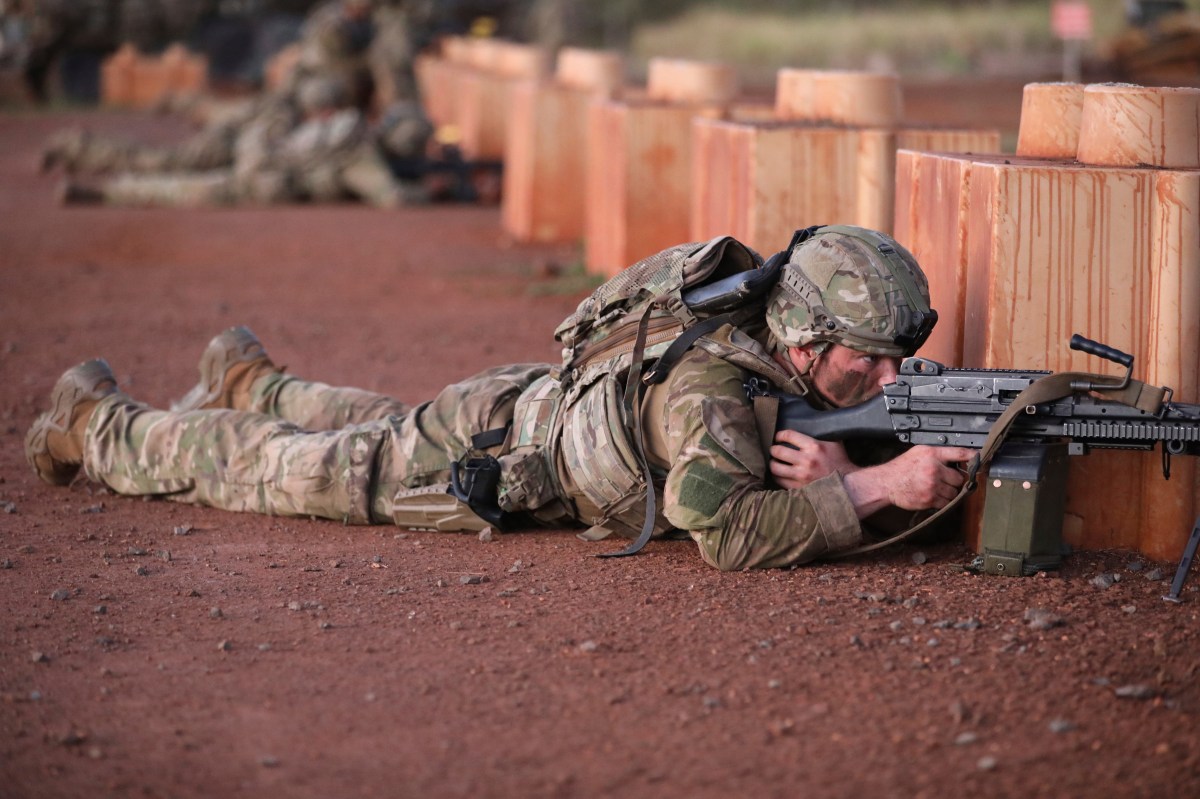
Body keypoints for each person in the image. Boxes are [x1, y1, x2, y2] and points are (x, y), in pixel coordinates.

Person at [24, 226, 974, 571]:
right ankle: (100, 424)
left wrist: (854, 468)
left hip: (520, 400)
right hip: (498, 457)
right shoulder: (715, 394)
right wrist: (873, 489)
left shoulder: (752, 322)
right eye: (869, 359)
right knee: (290, 469)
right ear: (806, 338)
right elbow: (722, 532)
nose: (888, 380)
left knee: (382, 422)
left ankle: (251, 381)